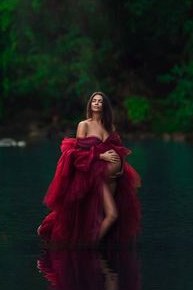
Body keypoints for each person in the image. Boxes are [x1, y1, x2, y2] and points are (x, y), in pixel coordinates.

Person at [37, 92, 141, 248]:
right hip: (94, 176)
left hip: (112, 178)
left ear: (104, 105)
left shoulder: (109, 127)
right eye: (94, 101)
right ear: (90, 105)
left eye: (100, 101)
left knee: (102, 214)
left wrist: (121, 169)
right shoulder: (84, 125)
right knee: (111, 214)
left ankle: (96, 246)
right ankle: (90, 247)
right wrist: (102, 156)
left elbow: (117, 149)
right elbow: (78, 153)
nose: (97, 103)